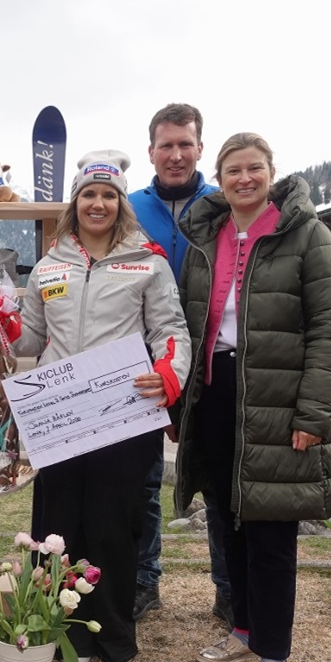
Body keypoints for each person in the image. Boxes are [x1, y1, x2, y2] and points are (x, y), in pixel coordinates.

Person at [0, 151, 190, 662]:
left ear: (122, 203)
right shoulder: (50, 265)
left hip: (123, 415)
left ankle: (112, 635)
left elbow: (171, 333)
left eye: (109, 194)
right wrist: (3, 327)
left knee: (114, 526)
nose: (98, 203)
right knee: (57, 524)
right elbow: (30, 337)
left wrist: (169, 376)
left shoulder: (149, 262)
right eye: (89, 194)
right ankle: (53, 630)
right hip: (59, 417)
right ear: (75, 203)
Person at [175, 133, 331, 662]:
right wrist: (183, 403)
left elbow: (328, 331)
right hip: (216, 393)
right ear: (219, 179)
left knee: (272, 530)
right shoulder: (206, 236)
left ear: (271, 172)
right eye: (232, 170)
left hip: (277, 397)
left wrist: (314, 413)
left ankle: (274, 655)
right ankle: (245, 632)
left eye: (254, 168)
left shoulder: (306, 234)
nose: (243, 178)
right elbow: (188, 323)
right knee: (228, 519)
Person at [127, 104, 228, 626]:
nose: (175, 154)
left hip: (212, 362)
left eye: (185, 144)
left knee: (217, 481)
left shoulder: (223, 204)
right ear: (151, 151)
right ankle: (145, 581)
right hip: (145, 369)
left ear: (199, 148)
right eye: (166, 145)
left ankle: (228, 589)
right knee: (144, 482)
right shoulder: (128, 208)